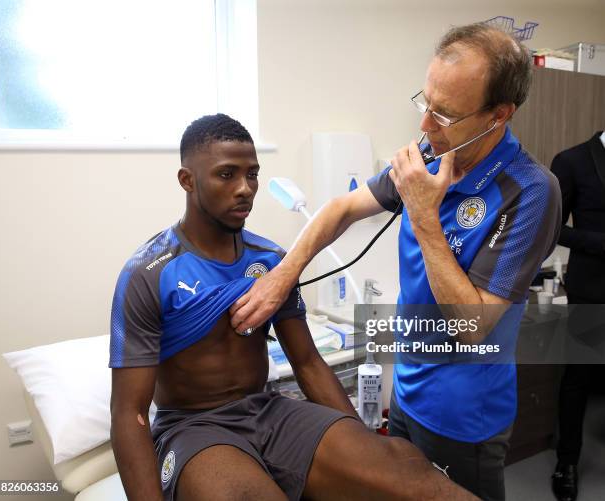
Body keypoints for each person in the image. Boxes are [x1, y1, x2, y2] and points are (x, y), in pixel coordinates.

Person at [230, 24, 562, 500]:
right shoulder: (428, 153)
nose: (425, 126)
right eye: (425, 103)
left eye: (445, 114)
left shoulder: (530, 191)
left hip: (463, 416)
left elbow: (472, 326)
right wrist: (283, 276)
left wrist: (424, 213)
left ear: (499, 115)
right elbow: (341, 208)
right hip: (406, 394)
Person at [109, 114, 475, 501]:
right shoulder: (149, 274)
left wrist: (360, 442)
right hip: (192, 427)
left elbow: (307, 363)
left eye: (252, 175)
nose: (244, 189)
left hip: (268, 413)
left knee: (404, 469)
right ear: (187, 180)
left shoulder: (271, 261)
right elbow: (128, 414)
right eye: (227, 175)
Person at [550, 131, 605, 501]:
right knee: (579, 377)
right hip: (592, 290)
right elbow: (553, 228)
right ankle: (566, 462)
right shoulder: (571, 160)